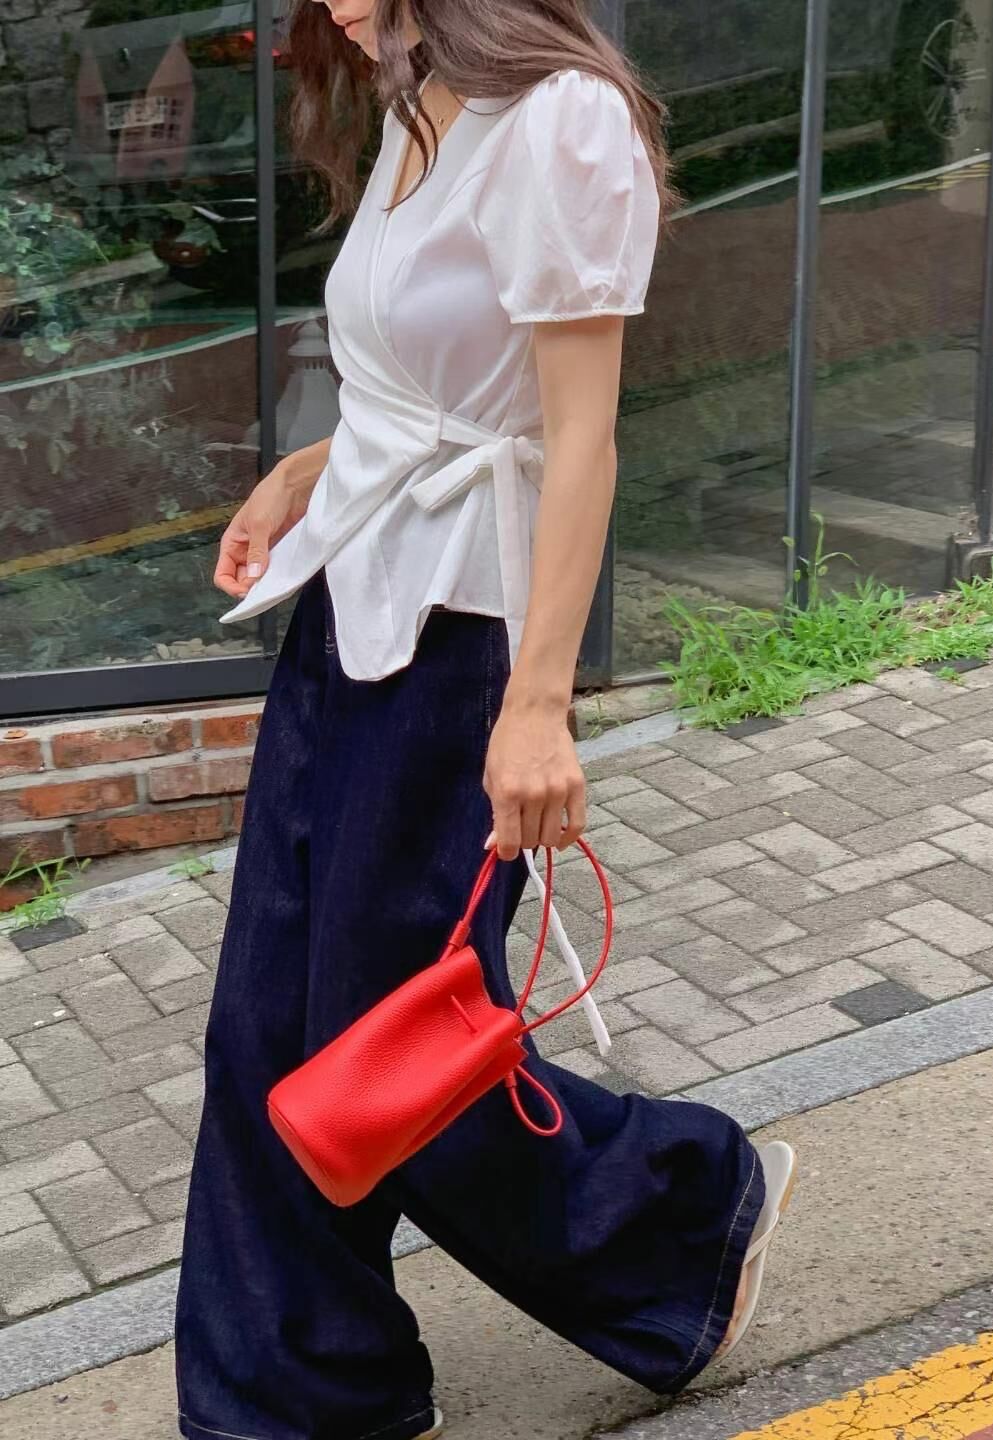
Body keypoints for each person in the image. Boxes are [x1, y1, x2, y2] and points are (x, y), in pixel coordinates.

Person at [174, 3, 795, 1438]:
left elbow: (577, 434)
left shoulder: (561, 117)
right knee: (267, 1026)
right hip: (351, 598)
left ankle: (684, 1210)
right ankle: (303, 1394)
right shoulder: (415, 98)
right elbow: (426, 379)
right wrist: (302, 476)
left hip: (469, 636)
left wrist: (538, 708)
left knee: (385, 1040)